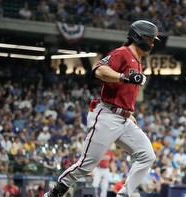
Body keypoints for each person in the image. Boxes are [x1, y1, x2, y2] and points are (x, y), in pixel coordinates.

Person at [43, 20, 160, 197]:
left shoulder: (138, 60)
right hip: (107, 115)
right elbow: (99, 71)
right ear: (138, 37)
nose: (152, 43)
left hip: (123, 118)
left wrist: (127, 113)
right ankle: (55, 192)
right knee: (87, 164)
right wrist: (124, 77)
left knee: (147, 156)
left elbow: (124, 93)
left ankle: (123, 195)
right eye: (150, 39)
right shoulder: (122, 52)